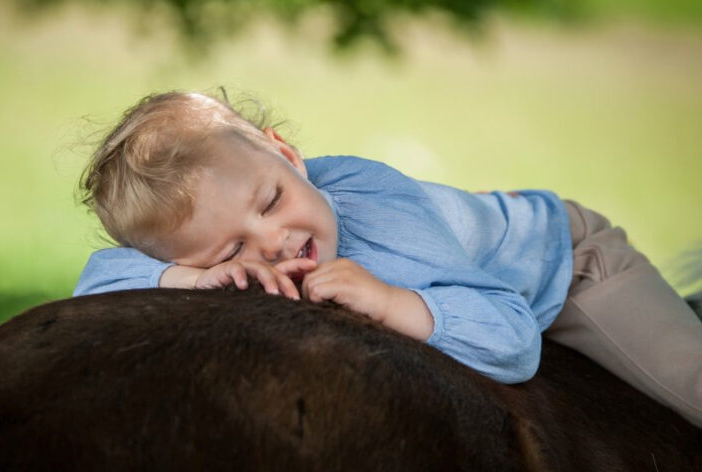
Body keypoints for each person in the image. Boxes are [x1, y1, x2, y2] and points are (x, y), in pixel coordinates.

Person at [74, 90, 702, 427]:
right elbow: (95, 288)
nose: (271, 243)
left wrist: (394, 301)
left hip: (566, 260)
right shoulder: (221, 250)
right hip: (451, 230)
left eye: (271, 201)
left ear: (288, 156)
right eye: (233, 247)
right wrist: (189, 275)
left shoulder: (375, 208)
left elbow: (512, 339)